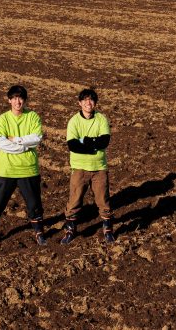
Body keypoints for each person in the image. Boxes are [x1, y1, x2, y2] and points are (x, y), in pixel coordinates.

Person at [0, 84, 46, 248]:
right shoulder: (2, 119)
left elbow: (37, 138)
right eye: (15, 98)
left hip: (28, 169)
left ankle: (39, 233)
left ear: (25, 100)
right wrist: (25, 144)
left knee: (34, 205)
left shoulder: (33, 116)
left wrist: (16, 140)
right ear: (9, 100)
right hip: (5, 170)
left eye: (21, 98)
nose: (18, 101)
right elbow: (2, 144)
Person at [61, 88, 114, 244]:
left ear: (95, 103)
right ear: (79, 103)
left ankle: (108, 230)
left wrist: (84, 141)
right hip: (79, 168)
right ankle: (70, 230)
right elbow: (73, 145)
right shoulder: (74, 121)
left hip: (99, 168)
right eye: (85, 100)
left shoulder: (101, 119)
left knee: (103, 200)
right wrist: (93, 144)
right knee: (74, 200)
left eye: (91, 100)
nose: (88, 103)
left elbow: (104, 141)